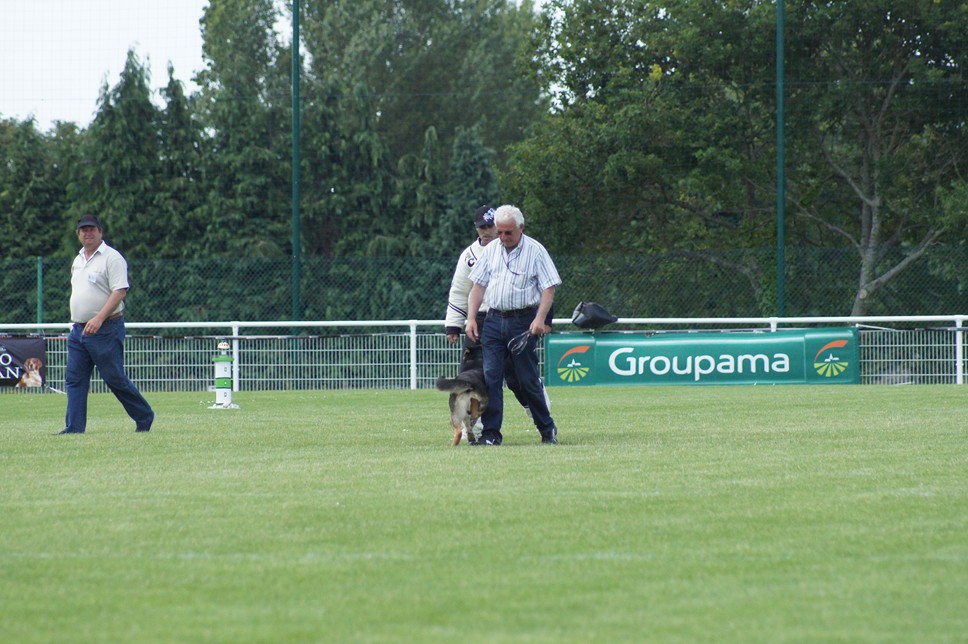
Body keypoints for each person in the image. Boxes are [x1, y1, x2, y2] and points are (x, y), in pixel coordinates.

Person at [444, 205, 552, 423]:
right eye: (481, 227)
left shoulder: (526, 250)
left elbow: (544, 286)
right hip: (483, 320)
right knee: (475, 375)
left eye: (490, 226)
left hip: (516, 318)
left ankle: (537, 411)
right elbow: (460, 290)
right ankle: (475, 425)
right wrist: (454, 324)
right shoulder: (469, 256)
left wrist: (545, 319)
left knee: (517, 376)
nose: (487, 231)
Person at [466, 205, 561, 445]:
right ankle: (491, 434)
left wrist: (540, 319)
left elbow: (548, 288)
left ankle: (547, 428)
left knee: (527, 380)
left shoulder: (536, 251)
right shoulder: (490, 252)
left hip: (523, 322)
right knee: (491, 379)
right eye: (500, 232)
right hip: (494, 321)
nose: (503, 237)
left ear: (521, 228)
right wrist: (470, 318)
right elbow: (477, 286)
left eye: (508, 232)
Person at [58, 215, 154, 434]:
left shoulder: (112, 258)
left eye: (91, 229)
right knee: (74, 380)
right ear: (77, 234)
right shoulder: (78, 259)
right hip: (79, 330)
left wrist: (99, 318)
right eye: (83, 230)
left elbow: (120, 290)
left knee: (114, 378)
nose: (87, 233)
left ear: (100, 232)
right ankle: (73, 428)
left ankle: (144, 416)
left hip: (106, 328)